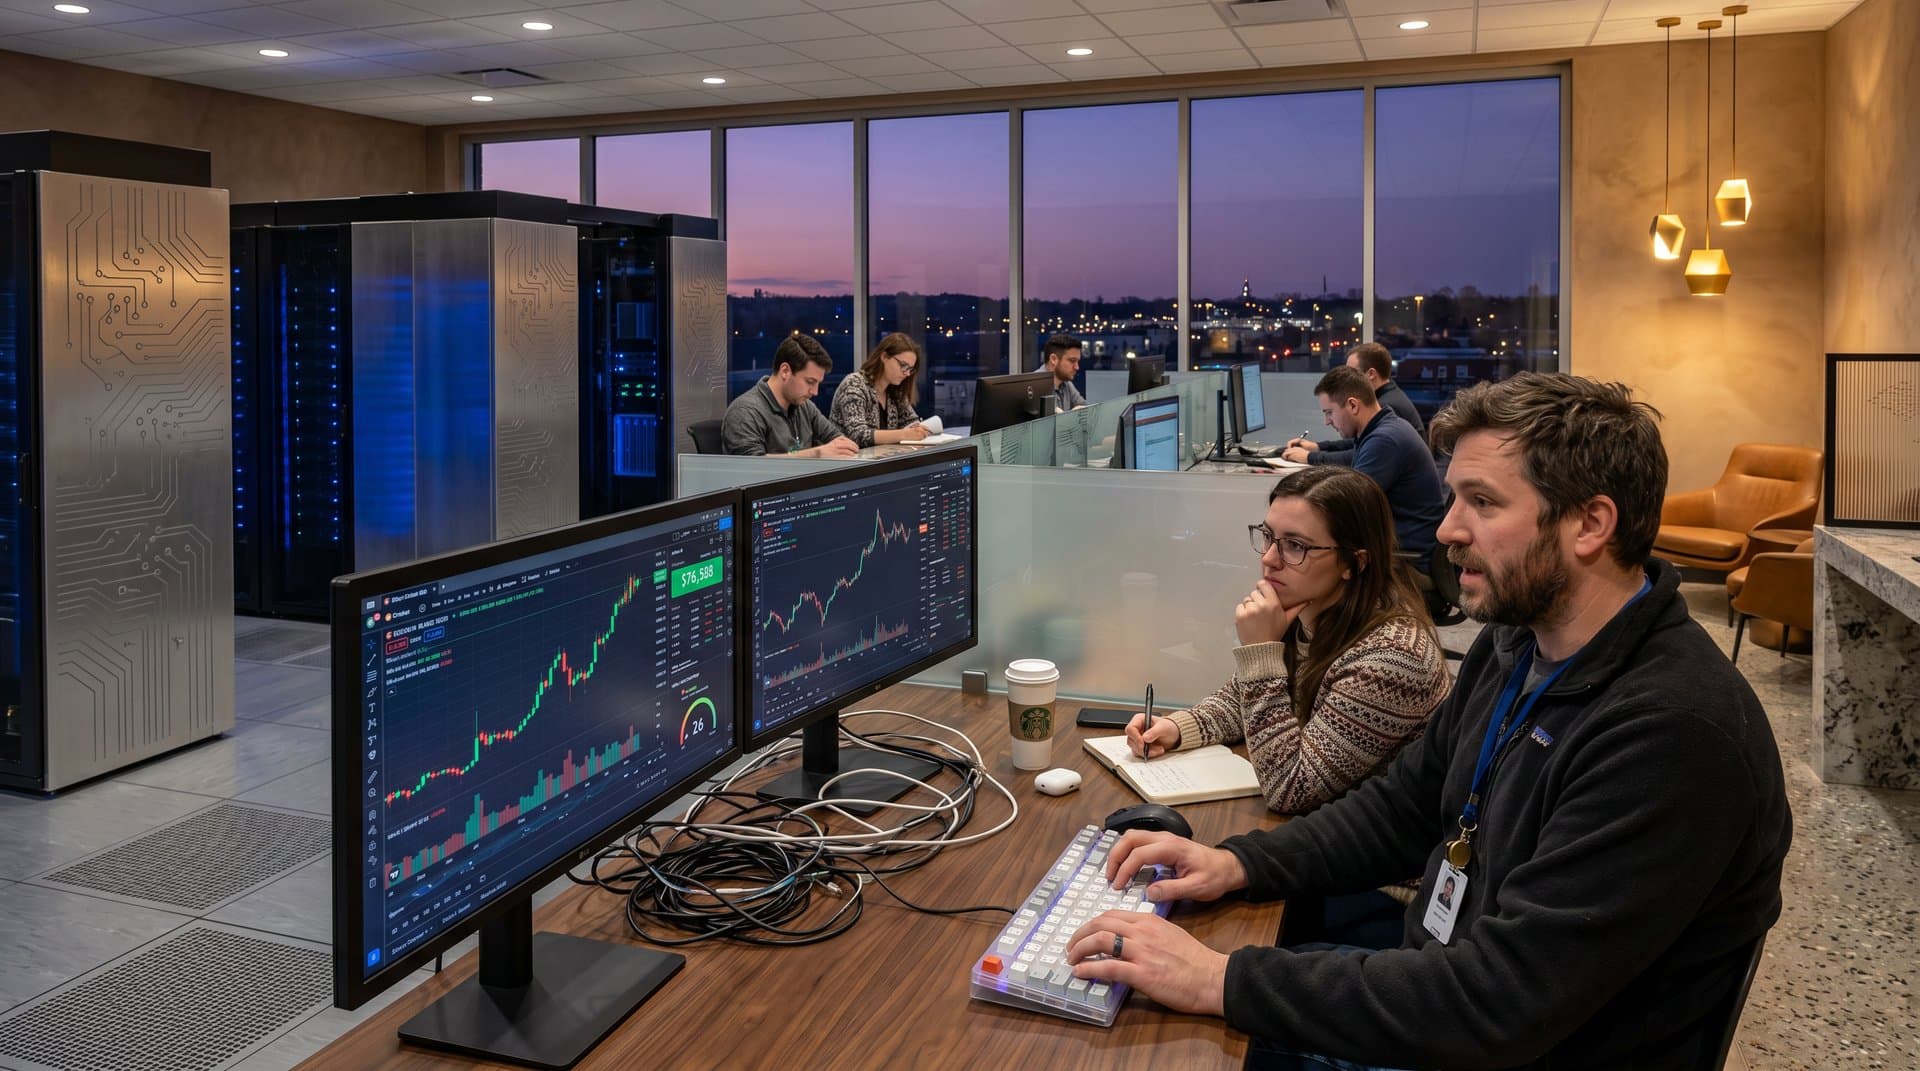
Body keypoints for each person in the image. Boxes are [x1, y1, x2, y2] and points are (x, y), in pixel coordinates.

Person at [1063, 372, 1791, 1071]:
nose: (1446, 529)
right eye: (1452, 498)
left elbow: (1500, 999)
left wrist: (1221, 982)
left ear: (1591, 524)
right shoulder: (1519, 643)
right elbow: (1402, 807)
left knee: (1144, 1026)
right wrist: (1240, 862)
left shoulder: (1674, 733)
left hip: (1512, 1047)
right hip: (1449, 979)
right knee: (1166, 961)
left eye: (1481, 501)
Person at [1125, 467, 1448, 819]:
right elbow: (1243, 699)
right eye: (1268, 536)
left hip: (1385, 861)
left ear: (1353, 563)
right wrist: (1177, 728)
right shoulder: (1315, 607)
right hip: (1327, 827)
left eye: (1295, 546)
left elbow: (1288, 788)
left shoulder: (1391, 658)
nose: (1268, 559)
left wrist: (1260, 652)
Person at [1285, 366, 1444, 571]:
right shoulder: (1383, 428)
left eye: (1329, 412)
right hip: (1403, 548)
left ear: (1352, 405)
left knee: (1314, 565)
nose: (1327, 421)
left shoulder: (1385, 440)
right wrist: (1315, 455)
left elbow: (1351, 506)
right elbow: (1352, 457)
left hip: (1408, 561)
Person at [721, 334, 859, 458]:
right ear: (785, 371)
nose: (815, 392)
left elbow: (837, 440)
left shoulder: (805, 407)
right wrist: (817, 454)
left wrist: (842, 447)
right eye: (810, 382)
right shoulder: (745, 412)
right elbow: (753, 467)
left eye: (818, 383)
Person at [1288, 343, 1426, 463]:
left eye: (1352, 372)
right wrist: (1318, 447)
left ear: (1371, 374)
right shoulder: (1388, 396)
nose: (1346, 378)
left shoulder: (1386, 407)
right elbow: (1357, 444)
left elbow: (1359, 454)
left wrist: (1310, 457)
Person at [829, 332, 929, 447]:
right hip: (848, 461)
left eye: (910, 369)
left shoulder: (895, 390)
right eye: (903, 365)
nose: (907, 373)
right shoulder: (854, 384)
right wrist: (905, 434)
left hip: (880, 460)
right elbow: (858, 435)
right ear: (884, 357)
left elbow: (911, 423)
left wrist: (918, 431)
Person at [1036, 333, 1087, 412]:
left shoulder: (1066, 383)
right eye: (1072, 361)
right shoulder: (1034, 386)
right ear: (1053, 359)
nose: (1077, 367)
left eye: (1077, 361)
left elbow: (1083, 406)